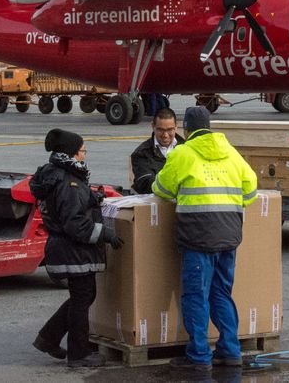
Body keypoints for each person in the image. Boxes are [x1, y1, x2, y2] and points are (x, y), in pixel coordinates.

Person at [152, 107, 258, 372]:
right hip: (229, 235)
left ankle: (199, 356)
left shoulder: (182, 153)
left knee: (196, 296)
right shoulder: (231, 152)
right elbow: (251, 189)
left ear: (186, 130)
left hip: (198, 237)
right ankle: (230, 351)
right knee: (221, 293)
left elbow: (161, 188)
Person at [30, 128, 123, 368]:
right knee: (83, 298)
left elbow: (70, 205)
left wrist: (93, 198)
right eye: (82, 151)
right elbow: (74, 223)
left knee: (82, 296)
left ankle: (48, 338)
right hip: (73, 250)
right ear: (71, 153)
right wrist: (105, 233)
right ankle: (79, 354)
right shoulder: (68, 182)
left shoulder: (57, 175)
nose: (84, 156)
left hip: (66, 249)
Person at [130, 107, 185, 194]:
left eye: (170, 130)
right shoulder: (141, 154)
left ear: (176, 127)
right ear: (153, 126)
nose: (165, 135)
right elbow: (146, 184)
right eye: (161, 130)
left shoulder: (186, 149)